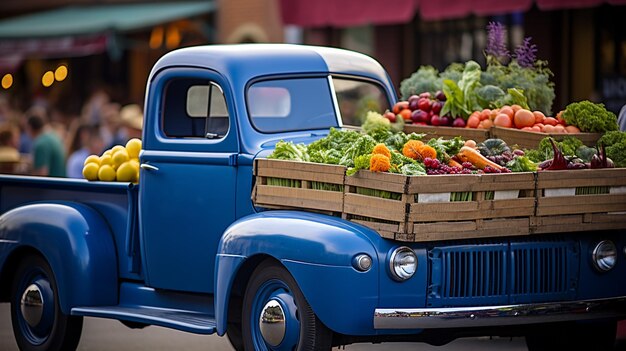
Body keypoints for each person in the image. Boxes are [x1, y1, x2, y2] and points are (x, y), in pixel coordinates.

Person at [25, 108, 66, 177]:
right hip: (60, 184)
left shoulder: (41, 143)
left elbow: (42, 173)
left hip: (52, 186)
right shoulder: (53, 136)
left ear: (29, 127)